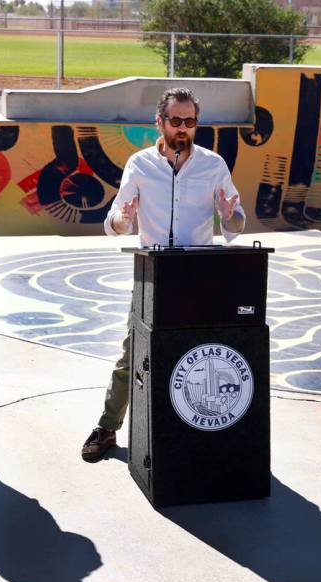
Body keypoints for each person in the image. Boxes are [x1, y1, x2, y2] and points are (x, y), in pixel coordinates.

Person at [82, 87, 246, 462]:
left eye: (190, 121)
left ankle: (200, 431)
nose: (183, 129)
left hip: (197, 274)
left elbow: (236, 222)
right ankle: (108, 427)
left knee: (199, 357)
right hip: (152, 274)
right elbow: (116, 221)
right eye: (176, 121)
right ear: (160, 122)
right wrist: (122, 220)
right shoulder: (139, 164)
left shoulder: (213, 165)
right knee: (133, 352)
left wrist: (228, 214)